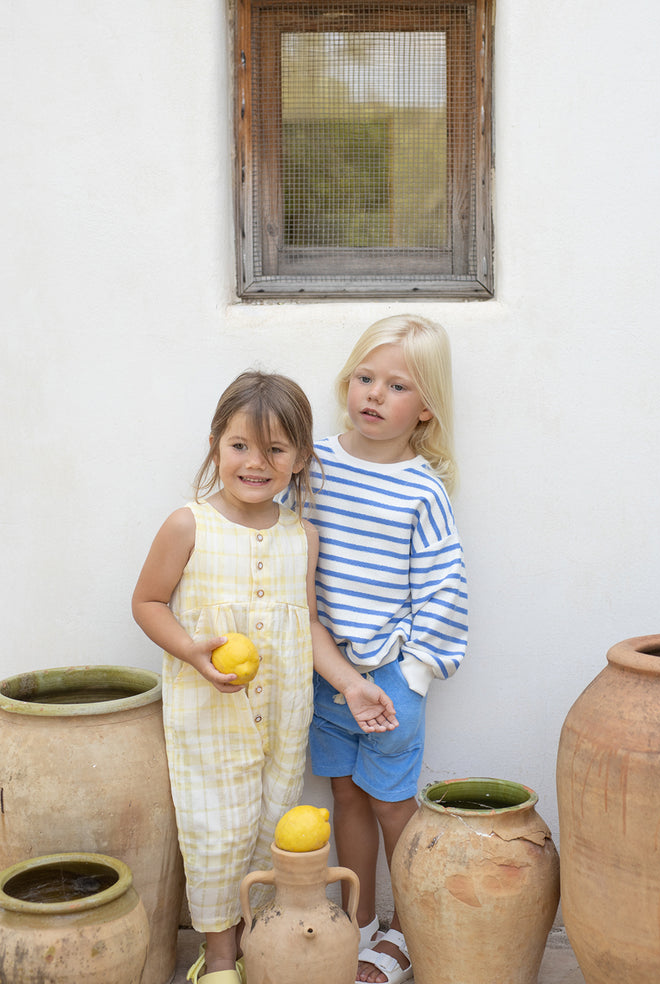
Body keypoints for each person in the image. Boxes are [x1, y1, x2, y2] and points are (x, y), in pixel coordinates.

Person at [132, 370, 397, 984]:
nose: (255, 463)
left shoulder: (302, 536)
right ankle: (220, 958)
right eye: (240, 446)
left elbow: (307, 626)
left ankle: (257, 944)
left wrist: (351, 683)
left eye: (275, 449)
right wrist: (191, 650)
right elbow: (147, 603)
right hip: (210, 718)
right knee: (215, 836)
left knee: (265, 832)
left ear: (299, 457)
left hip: (281, 718)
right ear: (215, 446)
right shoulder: (188, 525)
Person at [295, 316, 468, 984]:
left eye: (397, 386)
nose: (374, 394)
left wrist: (415, 676)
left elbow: (444, 586)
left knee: (393, 804)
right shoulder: (314, 465)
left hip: (391, 676)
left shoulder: (421, 489)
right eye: (365, 377)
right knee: (345, 795)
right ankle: (360, 921)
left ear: (425, 408)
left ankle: (412, 929)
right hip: (325, 669)